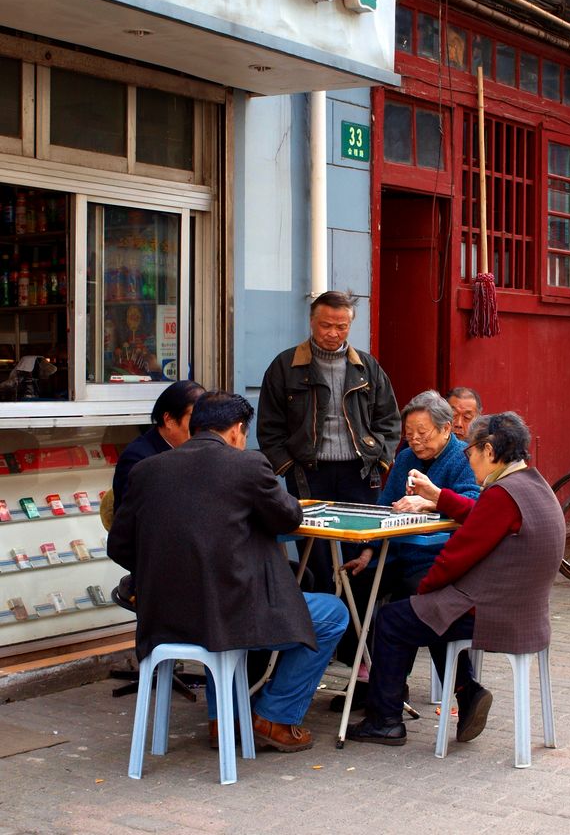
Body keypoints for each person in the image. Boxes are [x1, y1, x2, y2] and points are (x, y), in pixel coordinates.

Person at [107, 391, 349, 753]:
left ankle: (225, 720)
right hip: (230, 613)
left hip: (163, 617)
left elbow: (119, 546)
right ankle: (275, 716)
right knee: (333, 613)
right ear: (238, 430)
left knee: (215, 607)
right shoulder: (248, 465)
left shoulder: (147, 470)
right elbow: (289, 517)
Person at [346, 411, 566, 747]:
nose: (469, 459)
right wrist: (438, 496)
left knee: (395, 617)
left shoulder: (502, 494)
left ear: (489, 451)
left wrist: (425, 593)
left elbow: (454, 557)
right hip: (525, 612)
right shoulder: (533, 484)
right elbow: (480, 518)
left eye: (471, 451)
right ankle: (467, 692)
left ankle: (384, 721)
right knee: (432, 612)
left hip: (493, 614)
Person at [333, 390, 479, 694]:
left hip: (437, 558)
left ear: (446, 429)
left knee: (413, 602)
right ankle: (367, 674)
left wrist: (430, 502)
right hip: (395, 552)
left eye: (422, 433)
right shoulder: (405, 458)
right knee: (352, 585)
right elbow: (384, 506)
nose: (415, 440)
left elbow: (473, 502)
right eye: (409, 433)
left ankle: (444, 688)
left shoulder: (463, 457)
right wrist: (368, 551)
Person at [257, 290, 401, 592]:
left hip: (360, 473)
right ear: (312, 322)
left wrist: (383, 460)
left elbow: (389, 420)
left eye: (342, 326)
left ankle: (357, 634)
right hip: (309, 473)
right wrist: (287, 468)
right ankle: (325, 628)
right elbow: (269, 429)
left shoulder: (367, 366)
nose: (333, 333)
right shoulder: (285, 366)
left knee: (360, 554)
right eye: (326, 325)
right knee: (315, 556)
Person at [111, 379, 205, 513]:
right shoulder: (138, 458)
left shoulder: (200, 451)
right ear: (169, 420)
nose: (201, 427)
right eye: (194, 419)